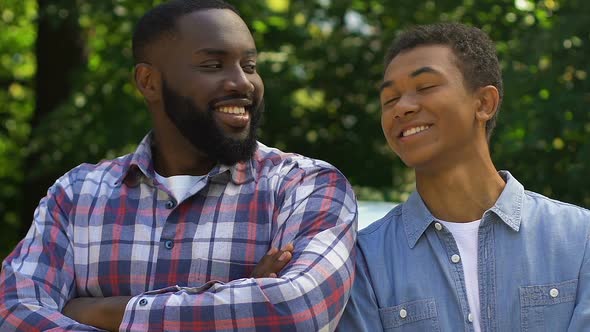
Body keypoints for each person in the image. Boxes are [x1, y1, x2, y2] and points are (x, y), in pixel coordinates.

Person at [0, 1, 357, 331]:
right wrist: (237, 299)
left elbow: (297, 310)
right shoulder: (77, 195)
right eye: (213, 65)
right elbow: (13, 310)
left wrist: (99, 311)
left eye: (249, 66)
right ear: (149, 82)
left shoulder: (305, 186)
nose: (242, 82)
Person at [337, 23, 590, 331]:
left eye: (426, 86)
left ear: (484, 103)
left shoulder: (581, 238)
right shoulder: (364, 260)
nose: (401, 108)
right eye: (389, 100)